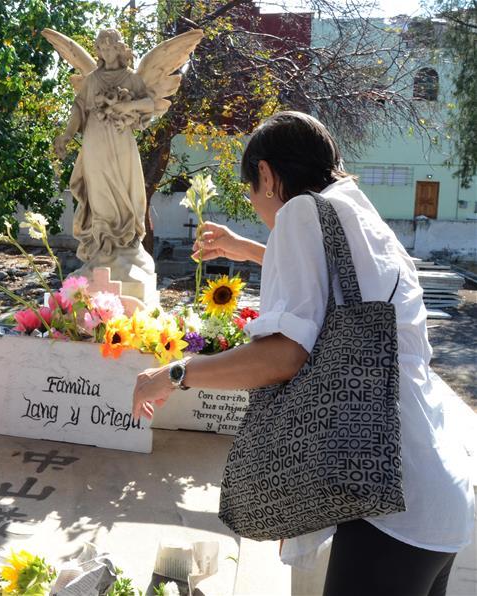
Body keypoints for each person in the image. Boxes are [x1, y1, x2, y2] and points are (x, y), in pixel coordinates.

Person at [133, 112, 473, 595]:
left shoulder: (301, 212)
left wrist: (174, 373)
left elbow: (282, 357)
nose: (256, 205)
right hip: (435, 491)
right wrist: (247, 249)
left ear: (268, 176)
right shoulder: (358, 212)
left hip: (391, 506)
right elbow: (338, 288)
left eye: (252, 191)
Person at [54, 28, 155, 266]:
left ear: (120, 49)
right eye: (102, 48)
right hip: (95, 140)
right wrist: (67, 134)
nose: (106, 52)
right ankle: (102, 242)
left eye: (111, 47)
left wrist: (127, 108)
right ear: (98, 51)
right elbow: (78, 109)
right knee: (98, 189)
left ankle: (125, 241)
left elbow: (150, 103)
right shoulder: (92, 79)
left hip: (120, 141)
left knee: (125, 189)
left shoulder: (131, 78)